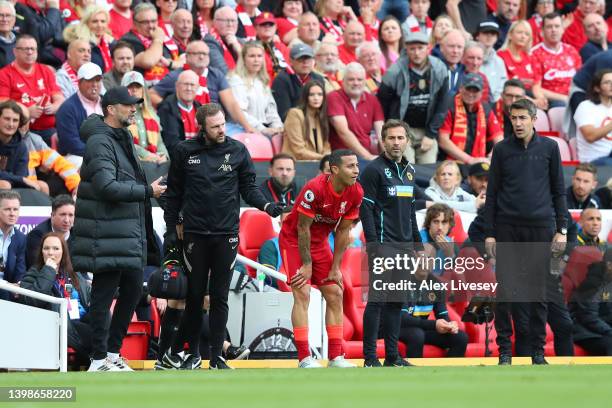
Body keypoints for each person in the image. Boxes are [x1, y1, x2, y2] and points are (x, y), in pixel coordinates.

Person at [160, 103, 283, 370]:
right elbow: (174, 194)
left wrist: (267, 207)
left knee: (219, 297)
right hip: (194, 234)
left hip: (226, 234)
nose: (221, 130)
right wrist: (171, 229)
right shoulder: (184, 151)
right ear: (201, 128)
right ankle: (190, 354)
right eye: (215, 126)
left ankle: (216, 357)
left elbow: (249, 187)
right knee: (193, 297)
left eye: (223, 124)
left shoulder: (237, 150)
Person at [72, 86, 166, 372]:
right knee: (104, 294)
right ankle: (98, 359)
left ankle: (112, 353)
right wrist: (147, 191)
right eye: (128, 105)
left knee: (134, 290)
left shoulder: (120, 136)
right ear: (111, 109)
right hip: (107, 233)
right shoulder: (100, 141)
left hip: (127, 232)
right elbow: (106, 187)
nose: (134, 109)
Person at [483, 98, 568, 365]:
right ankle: (505, 351)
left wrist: (562, 229)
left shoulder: (551, 148)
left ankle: (538, 352)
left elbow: (558, 191)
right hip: (507, 228)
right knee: (506, 293)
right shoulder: (501, 150)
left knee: (539, 293)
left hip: (541, 228)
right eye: (513, 118)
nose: (517, 123)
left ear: (534, 119)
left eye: (522, 118)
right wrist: (490, 232)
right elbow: (492, 195)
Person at [279, 149, 363, 368]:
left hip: (320, 243)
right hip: (293, 241)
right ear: (334, 170)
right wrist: (307, 265)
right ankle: (304, 358)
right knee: (303, 293)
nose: (356, 170)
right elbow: (302, 228)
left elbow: (343, 233)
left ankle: (336, 357)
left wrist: (336, 268)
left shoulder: (356, 192)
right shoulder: (314, 189)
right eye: (350, 166)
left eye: (356, 165)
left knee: (335, 292)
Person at [359, 119, 422, 367]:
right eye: (391, 138)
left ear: (407, 140)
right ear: (383, 141)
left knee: (396, 302)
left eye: (400, 138)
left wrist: (417, 246)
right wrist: (373, 245)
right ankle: (370, 357)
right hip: (383, 246)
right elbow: (366, 211)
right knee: (377, 301)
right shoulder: (373, 171)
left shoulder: (409, 171)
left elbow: (410, 212)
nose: (396, 143)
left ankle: (392, 356)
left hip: (405, 247)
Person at [378, 30, 448, 164]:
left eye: (420, 48)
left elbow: (442, 105)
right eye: (412, 49)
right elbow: (383, 102)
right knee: (405, 169)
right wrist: (393, 130)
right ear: (406, 49)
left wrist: (431, 134)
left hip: (427, 130)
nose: (416, 53)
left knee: (428, 169)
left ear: (428, 48)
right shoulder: (394, 71)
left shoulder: (440, 68)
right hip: (402, 129)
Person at [20, 232, 92, 361]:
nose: (50, 253)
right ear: (41, 252)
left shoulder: (73, 274)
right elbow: (32, 300)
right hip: (56, 326)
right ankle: (94, 357)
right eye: (46, 248)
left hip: (80, 320)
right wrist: (48, 270)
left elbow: (90, 296)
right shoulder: (33, 273)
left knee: (103, 315)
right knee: (82, 331)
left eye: (56, 248)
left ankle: (105, 356)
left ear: (63, 252)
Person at [0, 34, 64, 144]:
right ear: (15, 52)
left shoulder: (46, 70)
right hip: (20, 131)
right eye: (25, 49)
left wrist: (53, 107)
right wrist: (26, 111)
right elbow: (2, 102)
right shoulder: (4, 74)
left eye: (33, 49)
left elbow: (59, 97)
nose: (29, 52)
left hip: (49, 129)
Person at [438, 73, 504, 164]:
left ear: (481, 93)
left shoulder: (486, 108)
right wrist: (470, 160)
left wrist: (492, 156)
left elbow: (499, 137)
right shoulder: (450, 105)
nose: (471, 94)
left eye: (475, 90)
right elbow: (443, 140)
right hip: (451, 163)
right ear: (461, 88)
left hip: (478, 161)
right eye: (468, 89)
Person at [328, 62, 383, 160]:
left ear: (365, 81)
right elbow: (343, 132)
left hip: (366, 156)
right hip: (341, 158)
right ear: (343, 80)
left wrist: (387, 158)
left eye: (359, 79)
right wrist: (368, 156)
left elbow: (381, 134)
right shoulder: (334, 97)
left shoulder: (372, 100)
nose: (356, 83)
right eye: (351, 79)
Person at [227, 41, 283, 137]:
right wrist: (262, 129)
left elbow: (271, 111)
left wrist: (278, 128)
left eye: (259, 56)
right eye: (252, 56)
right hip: (241, 130)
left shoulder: (262, 81)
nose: (256, 60)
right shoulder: (235, 79)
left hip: (263, 130)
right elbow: (239, 112)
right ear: (243, 59)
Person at [56, 62, 104, 168]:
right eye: (90, 80)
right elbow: (71, 144)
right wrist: (99, 153)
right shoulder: (67, 108)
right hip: (76, 156)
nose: (95, 84)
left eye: (97, 80)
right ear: (79, 83)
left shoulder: (107, 103)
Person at [531, 12, 582, 109]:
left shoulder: (571, 51)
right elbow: (536, 88)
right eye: (549, 27)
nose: (553, 30)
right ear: (542, 31)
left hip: (576, 97)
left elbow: (581, 80)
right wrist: (564, 98)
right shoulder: (535, 53)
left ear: (563, 29)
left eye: (557, 26)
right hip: (555, 102)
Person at [121, 2, 180, 86]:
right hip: (144, 89)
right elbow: (148, 61)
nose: (151, 26)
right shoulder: (129, 40)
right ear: (134, 23)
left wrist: (170, 64)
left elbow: (184, 59)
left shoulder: (165, 39)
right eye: (145, 22)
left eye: (153, 21)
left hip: (170, 85)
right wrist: (158, 40)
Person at [569, 249, 612, 356]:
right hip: (585, 331)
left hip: (604, 329)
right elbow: (589, 317)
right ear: (609, 265)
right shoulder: (592, 285)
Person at [497, 20, 548, 110]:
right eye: (519, 32)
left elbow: (535, 85)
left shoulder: (531, 57)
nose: (523, 36)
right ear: (510, 35)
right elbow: (503, 88)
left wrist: (541, 99)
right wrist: (532, 102)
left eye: (527, 34)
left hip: (530, 96)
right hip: (511, 99)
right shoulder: (500, 56)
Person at [121, 71, 169, 164]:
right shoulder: (119, 115)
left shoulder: (152, 115)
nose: (134, 90)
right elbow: (125, 143)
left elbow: (159, 143)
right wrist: (147, 155)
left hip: (154, 164)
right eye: (130, 86)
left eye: (138, 86)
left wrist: (164, 156)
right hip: (130, 165)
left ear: (143, 90)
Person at [272, 43, 324, 120]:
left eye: (308, 58)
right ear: (291, 61)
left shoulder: (318, 79)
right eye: (300, 59)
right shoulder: (282, 80)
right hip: (293, 123)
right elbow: (284, 113)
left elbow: (322, 108)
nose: (305, 62)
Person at [282, 81, 331, 160]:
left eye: (320, 94)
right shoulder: (295, 114)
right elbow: (298, 151)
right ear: (305, 97)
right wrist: (323, 158)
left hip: (317, 164)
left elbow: (326, 146)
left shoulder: (320, 116)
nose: (316, 98)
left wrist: (327, 156)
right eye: (312, 95)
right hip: (295, 164)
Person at [157, 70, 202, 154]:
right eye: (185, 84)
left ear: (198, 87)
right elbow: (172, 145)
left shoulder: (200, 108)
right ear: (177, 86)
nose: (189, 88)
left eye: (192, 85)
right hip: (179, 158)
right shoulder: (166, 108)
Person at [573, 68, 612, 165]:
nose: (611, 85)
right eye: (607, 82)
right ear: (597, 88)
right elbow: (590, 136)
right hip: (594, 160)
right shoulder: (586, 106)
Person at [25, 194, 74, 269]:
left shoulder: (78, 234)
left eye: (70, 215)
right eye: (63, 215)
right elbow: (36, 266)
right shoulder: (37, 235)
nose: (67, 220)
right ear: (52, 215)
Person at [63, 5, 115, 73]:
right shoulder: (80, 43)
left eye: (103, 21)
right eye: (95, 21)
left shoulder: (109, 43)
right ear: (87, 23)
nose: (99, 25)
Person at [0, 100, 38, 191]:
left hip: (13, 184)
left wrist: (20, 179)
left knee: (42, 186)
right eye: (7, 119)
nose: (11, 124)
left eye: (15, 120)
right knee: (5, 185)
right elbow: (21, 179)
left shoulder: (21, 147)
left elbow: (21, 176)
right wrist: (20, 179)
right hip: (7, 184)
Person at [0, 190, 26, 299]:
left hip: (8, 291)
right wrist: (7, 285)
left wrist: (19, 285)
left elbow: (21, 269)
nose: (12, 213)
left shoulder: (21, 238)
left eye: (15, 209)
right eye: (7, 209)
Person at [254, 11, 291, 83]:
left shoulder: (282, 48)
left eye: (270, 24)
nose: (267, 27)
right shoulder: (251, 48)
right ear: (256, 28)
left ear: (276, 27)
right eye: (263, 24)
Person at [476, 21, 508, 102]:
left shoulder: (499, 61)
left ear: (497, 38)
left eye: (493, 34)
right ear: (477, 36)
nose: (489, 36)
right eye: (485, 33)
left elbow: (502, 85)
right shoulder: (470, 56)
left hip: (493, 104)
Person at [204, 6, 242, 73]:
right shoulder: (210, 41)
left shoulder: (240, 41)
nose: (230, 24)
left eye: (233, 21)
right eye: (226, 20)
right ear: (215, 22)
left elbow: (254, 69)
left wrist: (237, 48)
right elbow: (224, 72)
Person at [439, 29, 465, 96]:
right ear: (441, 47)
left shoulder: (467, 71)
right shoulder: (432, 69)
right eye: (451, 46)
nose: (455, 51)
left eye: (459, 47)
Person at [0, 0, 17, 69]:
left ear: (14, 19)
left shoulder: (22, 40)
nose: (4, 19)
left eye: (8, 15)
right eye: (0, 15)